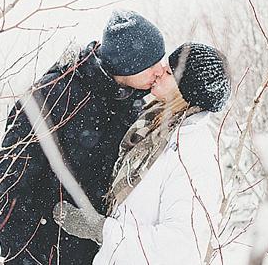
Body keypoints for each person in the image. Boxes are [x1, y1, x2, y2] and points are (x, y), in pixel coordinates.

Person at [0, 10, 167, 264]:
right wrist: (21, 258)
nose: (160, 71)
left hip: (103, 254)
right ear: (127, 64)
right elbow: (11, 188)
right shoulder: (51, 98)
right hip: (49, 251)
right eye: (151, 64)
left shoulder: (132, 103)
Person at [53, 42, 232, 265]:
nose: (159, 73)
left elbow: (181, 247)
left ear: (186, 90)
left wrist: (100, 230)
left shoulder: (191, 151)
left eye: (168, 72)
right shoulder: (155, 125)